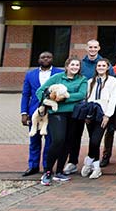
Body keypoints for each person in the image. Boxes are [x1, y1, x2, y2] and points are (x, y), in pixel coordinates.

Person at [36, 57, 87, 186]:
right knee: (58, 140)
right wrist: (49, 98)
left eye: (77, 65)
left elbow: (81, 94)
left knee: (68, 142)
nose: (75, 67)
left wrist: (64, 98)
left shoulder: (82, 79)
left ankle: (59, 171)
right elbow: (40, 91)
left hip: (74, 114)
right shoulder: (57, 77)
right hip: (57, 113)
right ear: (67, 66)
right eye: (72, 65)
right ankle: (47, 171)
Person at [21, 51, 63, 177]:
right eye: (43, 57)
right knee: (34, 139)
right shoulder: (30, 75)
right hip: (34, 111)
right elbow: (25, 94)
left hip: (51, 112)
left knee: (49, 140)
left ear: (52, 59)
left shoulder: (59, 73)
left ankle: (47, 166)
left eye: (48, 57)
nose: (46, 59)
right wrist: (24, 112)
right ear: (39, 59)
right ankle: (33, 166)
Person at [81, 58, 116, 179]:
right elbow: (86, 98)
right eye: (99, 65)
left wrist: (108, 115)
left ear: (107, 67)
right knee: (92, 140)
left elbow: (113, 99)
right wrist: (86, 114)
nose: (101, 67)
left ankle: (89, 161)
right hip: (91, 114)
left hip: (102, 115)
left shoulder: (112, 81)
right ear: (96, 67)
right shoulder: (90, 81)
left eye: (103, 65)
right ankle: (96, 167)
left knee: (95, 141)